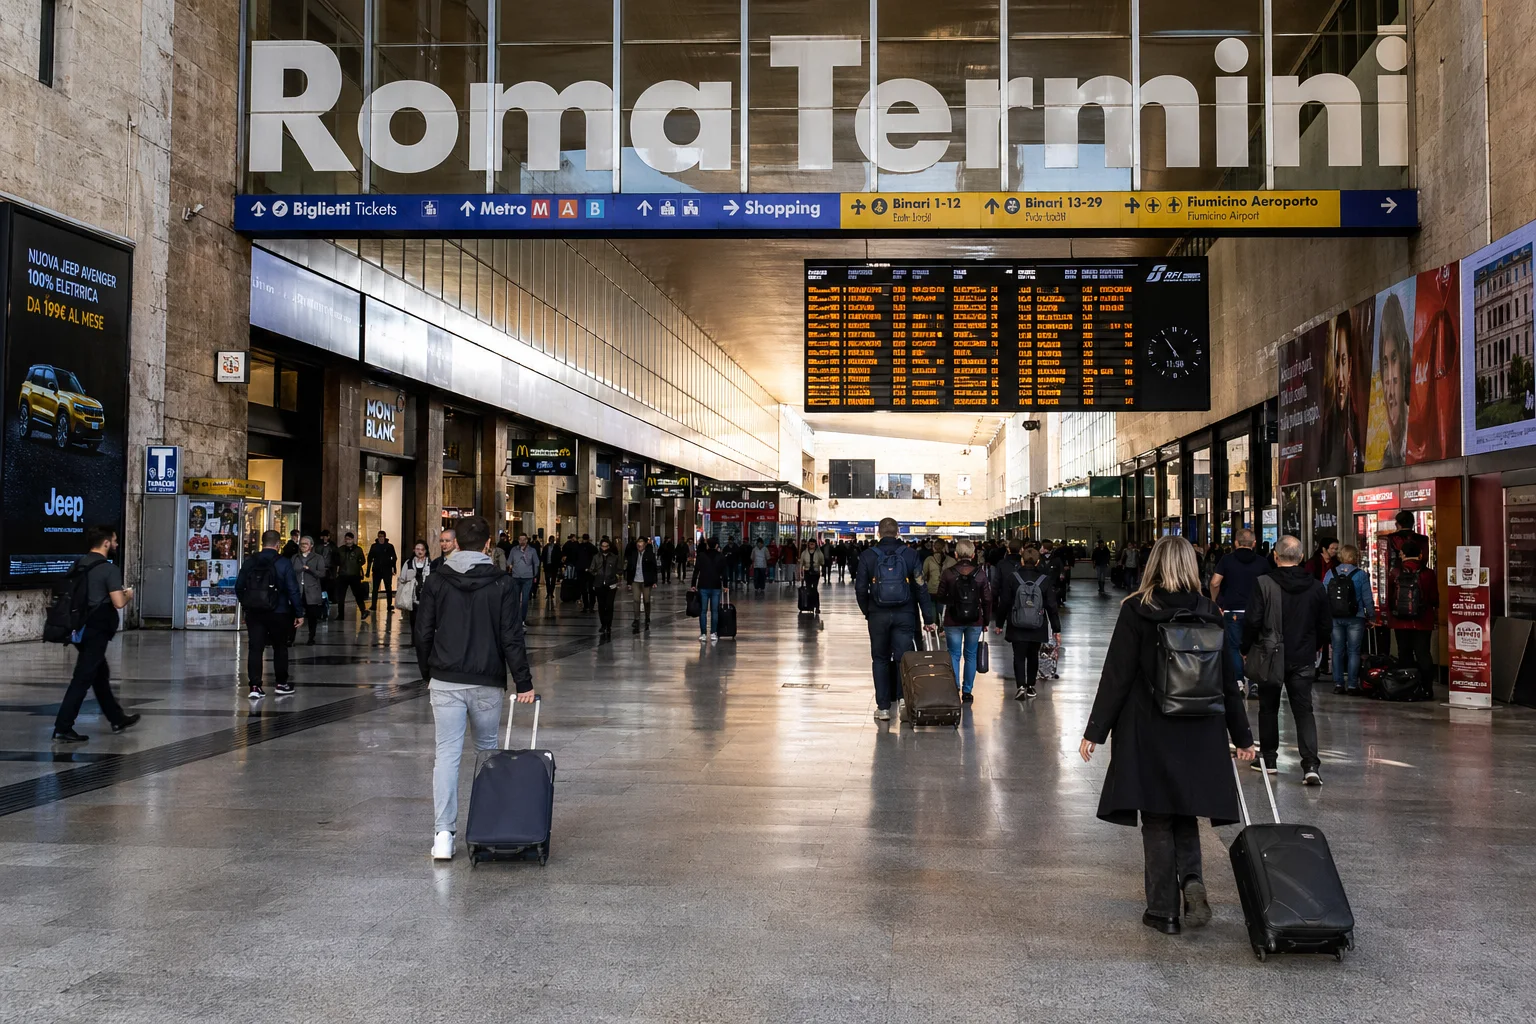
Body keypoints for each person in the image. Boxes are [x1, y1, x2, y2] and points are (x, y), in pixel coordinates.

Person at [1079, 536, 1256, 935]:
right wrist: (1243, 736)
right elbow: (1229, 680)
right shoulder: (1210, 611)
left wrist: (1096, 731)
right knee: (1185, 812)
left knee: (1157, 817)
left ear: (1153, 565)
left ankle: (1163, 911)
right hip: (1201, 729)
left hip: (1150, 726)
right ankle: (1192, 880)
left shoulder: (1137, 610)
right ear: (1192, 567)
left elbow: (1117, 676)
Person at [413, 514, 534, 862]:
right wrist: (523, 682)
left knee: (446, 756)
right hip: (486, 682)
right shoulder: (502, 584)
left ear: (455, 543)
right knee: (487, 753)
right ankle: (488, 826)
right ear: (487, 545)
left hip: (445, 680)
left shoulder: (437, 580)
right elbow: (511, 636)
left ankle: (443, 836)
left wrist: (428, 672)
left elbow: (422, 633)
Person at [1241, 535, 1331, 785]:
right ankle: (1311, 765)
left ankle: (1268, 759)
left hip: (1271, 656)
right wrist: (1315, 647)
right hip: (1303, 656)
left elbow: (1253, 620)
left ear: (1275, 556)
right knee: (1304, 711)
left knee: (1268, 708)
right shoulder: (1316, 586)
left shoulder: (1264, 583)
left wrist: (1245, 647)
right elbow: (1325, 625)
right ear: (1301, 557)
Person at [51, 525, 140, 742]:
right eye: (115, 540)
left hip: (79, 627)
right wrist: (128, 594)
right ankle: (63, 726)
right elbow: (118, 602)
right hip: (97, 630)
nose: (117, 544)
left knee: (100, 675)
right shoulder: (109, 569)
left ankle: (116, 718)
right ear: (106, 542)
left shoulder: (80, 563)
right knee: (82, 678)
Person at [855, 518, 937, 722]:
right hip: (905, 614)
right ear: (898, 532)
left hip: (878, 615)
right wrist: (928, 617)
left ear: (879, 533)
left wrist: (869, 611)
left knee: (880, 659)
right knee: (903, 658)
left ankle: (883, 708)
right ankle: (903, 701)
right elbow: (920, 586)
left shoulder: (868, 556)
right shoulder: (910, 555)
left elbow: (860, 589)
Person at [236, 529, 305, 700]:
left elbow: (239, 587)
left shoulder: (250, 561)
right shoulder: (284, 563)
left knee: (255, 648)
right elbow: (293, 589)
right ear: (278, 544)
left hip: (254, 613)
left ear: (262, 542)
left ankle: (254, 686)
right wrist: (299, 612)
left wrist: (247, 605)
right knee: (280, 647)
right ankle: (281, 683)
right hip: (279, 612)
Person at [994, 547, 1062, 700]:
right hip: (1038, 625)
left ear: (1022, 560)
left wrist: (999, 623)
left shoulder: (1013, 578)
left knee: (1018, 656)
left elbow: (1004, 602)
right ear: (1038, 562)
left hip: (1016, 624)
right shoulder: (1044, 579)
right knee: (1033, 655)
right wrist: (1056, 629)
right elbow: (1051, 606)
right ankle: (1031, 686)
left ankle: (1020, 686)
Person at [1210, 529, 1269, 700]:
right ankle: (1255, 684)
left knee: (1234, 648)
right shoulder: (1262, 562)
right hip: (1256, 611)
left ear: (1235, 543)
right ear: (1254, 543)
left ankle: (1238, 682)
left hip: (1232, 610)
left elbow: (1215, 582)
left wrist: (1216, 602)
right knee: (1255, 647)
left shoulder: (1227, 560)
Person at [936, 540, 992, 703]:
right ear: (973, 555)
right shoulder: (980, 574)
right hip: (975, 620)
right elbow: (987, 599)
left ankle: (954, 687)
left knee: (953, 654)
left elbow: (940, 597)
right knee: (971, 654)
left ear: (956, 554)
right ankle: (967, 691)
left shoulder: (948, 573)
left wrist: (952, 599)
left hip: (952, 620)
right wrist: (986, 621)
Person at [1323, 545, 1374, 694]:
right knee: (1354, 651)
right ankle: (1352, 685)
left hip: (1335, 618)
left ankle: (1338, 684)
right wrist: (1371, 617)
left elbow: (1323, 595)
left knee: (1337, 650)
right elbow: (1367, 599)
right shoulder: (1361, 575)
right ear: (1355, 557)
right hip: (1355, 618)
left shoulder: (1330, 573)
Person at [1386, 542, 1438, 686]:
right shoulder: (1428, 573)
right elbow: (1434, 598)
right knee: (1423, 653)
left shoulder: (1395, 572)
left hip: (1400, 621)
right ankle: (1427, 686)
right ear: (1420, 555)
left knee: (1404, 653)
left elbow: (1390, 597)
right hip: (1423, 621)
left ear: (1402, 554)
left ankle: (1406, 686)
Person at [291, 535, 329, 644]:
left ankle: (311, 637)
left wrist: (310, 569)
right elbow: (290, 572)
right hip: (298, 590)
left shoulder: (318, 558)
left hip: (311, 591)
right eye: (301, 544)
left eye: (305, 544)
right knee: (294, 614)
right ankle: (291, 638)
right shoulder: (295, 558)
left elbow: (321, 574)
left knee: (312, 616)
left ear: (311, 546)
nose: (303, 546)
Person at [691, 537, 728, 641]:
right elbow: (724, 572)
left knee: (703, 611)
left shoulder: (701, 556)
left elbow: (696, 571)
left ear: (707, 545)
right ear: (716, 545)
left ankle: (703, 633)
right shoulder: (721, 556)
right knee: (714, 611)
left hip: (703, 585)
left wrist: (693, 584)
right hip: (716, 586)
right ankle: (713, 633)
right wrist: (725, 585)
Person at [588, 537, 622, 636]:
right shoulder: (596, 557)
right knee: (601, 605)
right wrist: (596, 574)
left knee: (609, 605)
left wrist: (616, 576)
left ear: (609, 547)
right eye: (602, 546)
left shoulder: (614, 558)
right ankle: (603, 624)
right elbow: (591, 569)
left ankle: (608, 625)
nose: (604, 548)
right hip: (599, 584)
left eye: (606, 546)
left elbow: (619, 569)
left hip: (611, 584)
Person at [626, 534, 659, 632]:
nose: (639, 545)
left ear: (645, 545)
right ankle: (636, 619)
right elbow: (629, 568)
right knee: (636, 600)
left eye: (641, 543)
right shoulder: (633, 554)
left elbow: (654, 569)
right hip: (635, 580)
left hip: (646, 581)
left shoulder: (650, 554)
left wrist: (654, 581)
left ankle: (647, 617)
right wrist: (629, 582)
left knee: (646, 600)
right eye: (638, 543)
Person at [507, 532, 540, 622]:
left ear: (527, 540)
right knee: (515, 599)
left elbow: (536, 562)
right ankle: (516, 617)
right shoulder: (514, 550)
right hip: (516, 577)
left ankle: (522, 619)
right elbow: (509, 561)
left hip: (527, 577)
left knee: (525, 599)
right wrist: (510, 566)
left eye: (524, 539)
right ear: (518, 540)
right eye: (520, 539)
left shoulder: (532, 550)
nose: (522, 541)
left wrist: (535, 574)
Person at [921, 541, 955, 624]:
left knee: (932, 605)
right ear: (945, 548)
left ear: (933, 548)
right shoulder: (951, 561)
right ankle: (941, 624)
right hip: (945, 590)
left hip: (931, 589)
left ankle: (934, 623)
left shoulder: (929, 560)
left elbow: (923, 574)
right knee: (942, 606)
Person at [367, 530, 399, 614]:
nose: (380, 538)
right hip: (377, 569)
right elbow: (370, 558)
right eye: (379, 536)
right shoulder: (374, 546)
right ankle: (374, 605)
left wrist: (394, 568)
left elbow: (394, 557)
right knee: (375, 588)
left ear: (384, 537)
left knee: (388, 588)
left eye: (382, 536)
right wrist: (368, 570)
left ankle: (389, 604)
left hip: (386, 570)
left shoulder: (389, 546)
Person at [313, 529, 337, 620]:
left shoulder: (332, 546)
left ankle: (325, 606)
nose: (325, 538)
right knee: (321, 589)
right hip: (320, 571)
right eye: (324, 536)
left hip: (329, 571)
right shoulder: (318, 546)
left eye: (327, 536)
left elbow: (335, 557)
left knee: (326, 589)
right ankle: (322, 608)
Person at [575, 534, 598, 612]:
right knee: (591, 589)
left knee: (583, 589)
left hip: (581, 570)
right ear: (589, 539)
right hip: (590, 571)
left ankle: (585, 605)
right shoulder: (593, 548)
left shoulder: (579, 547)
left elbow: (575, 558)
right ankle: (591, 605)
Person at [541, 533, 562, 601]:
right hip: (547, 565)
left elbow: (559, 556)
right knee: (547, 580)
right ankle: (548, 592)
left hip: (554, 566)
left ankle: (551, 592)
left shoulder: (557, 547)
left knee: (553, 580)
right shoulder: (546, 547)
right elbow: (543, 556)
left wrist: (559, 565)